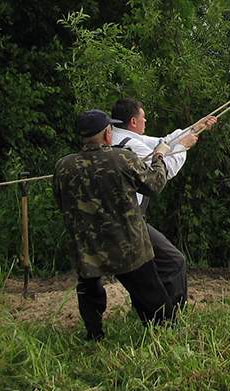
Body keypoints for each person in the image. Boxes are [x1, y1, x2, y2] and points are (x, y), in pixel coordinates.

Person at [54, 109, 174, 341]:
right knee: (150, 293)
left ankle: (94, 334)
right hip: (128, 245)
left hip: (87, 246)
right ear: (107, 134)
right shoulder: (122, 158)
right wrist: (159, 156)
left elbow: (62, 202)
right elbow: (155, 185)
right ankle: (163, 333)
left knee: (89, 289)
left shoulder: (63, 166)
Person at [109, 98, 216, 313]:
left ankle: (149, 313)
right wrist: (183, 147)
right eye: (143, 117)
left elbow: (161, 142)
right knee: (174, 261)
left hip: (118, 215)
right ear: (133, 121)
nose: (146, 120)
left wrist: (195, 127)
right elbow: (162, 171)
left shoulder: (118, 137)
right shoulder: (131, 146)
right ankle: (172, 315)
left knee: (143, 268)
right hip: (128, 218)